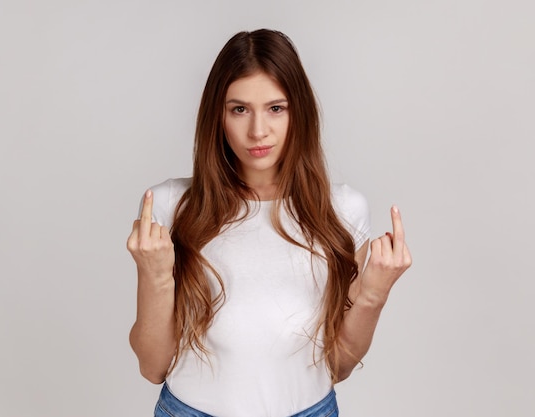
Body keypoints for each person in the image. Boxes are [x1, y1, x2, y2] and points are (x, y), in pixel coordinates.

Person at [127, 29, 412, 417]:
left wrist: (374, 294)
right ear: (218, 116)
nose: (258, 131)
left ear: (300, 112)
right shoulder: (171, 205)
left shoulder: (343, 210)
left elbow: (338, 367)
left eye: (276, 108)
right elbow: (153, 366)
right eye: (239, 109)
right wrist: (155, 275)